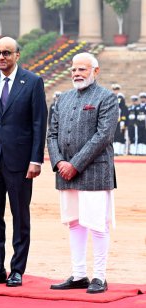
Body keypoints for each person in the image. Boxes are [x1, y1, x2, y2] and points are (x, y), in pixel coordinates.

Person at [0, 36, 48, 287]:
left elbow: (39, 123)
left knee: (20, 216)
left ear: (17, 55)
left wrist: (36, 159)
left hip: (20, 162)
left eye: (6, 53)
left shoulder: (33, 82)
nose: (1, 57)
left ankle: (17, 270)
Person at [47, 52, 118, 294]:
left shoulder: (107, 98)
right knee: (74, 223)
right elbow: (52, 134)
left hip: (94, 171)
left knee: (97, 224)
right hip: (65, 172)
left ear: (95, 72)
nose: (77, 74)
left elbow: (103, 136)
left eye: (83, 70)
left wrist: (74, 164)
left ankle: (99, 276)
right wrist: (58, 162)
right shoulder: (62, 99)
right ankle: (79, 274)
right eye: (74, 70)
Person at [111, 84, 128, 155]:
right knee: (112, 136)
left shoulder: (120, 98)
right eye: (114, 90)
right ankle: (113, 151)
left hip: (118, 120)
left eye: (116, 90)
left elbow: (123, 109)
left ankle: (117, 151)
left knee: (118, 135)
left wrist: (123, 121)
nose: (115, 91)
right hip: (112, 120)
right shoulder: (111, 97)